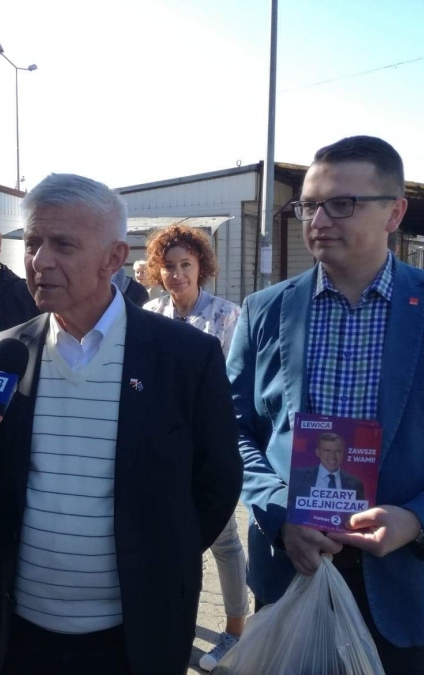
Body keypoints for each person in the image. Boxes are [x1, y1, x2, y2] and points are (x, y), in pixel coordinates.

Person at [227, 136, 424, 675]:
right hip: (290, 574)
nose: (319, 220)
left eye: (342, 203)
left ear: (395, 213)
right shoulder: (263, 312)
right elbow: (232, 433)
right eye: (309, 205)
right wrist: (278, 513)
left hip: (409, 590)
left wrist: (418, 521)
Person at [0, 173, 242, 675]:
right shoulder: (5, 351)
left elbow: (217, 483)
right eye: (33, 243)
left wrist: (162, 558)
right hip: (22, 634)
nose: (39, 261)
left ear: (114, 258)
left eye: (63, 245)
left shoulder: (186, 357)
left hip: (136, 638)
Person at [142, 224, 247, 671]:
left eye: (186, 264)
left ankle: (236, 631)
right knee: (168, 538)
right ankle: (170, 623)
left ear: (201, 266)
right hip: (161, 451)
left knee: (223, 538)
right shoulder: (149, 314)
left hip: (208, 448)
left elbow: (235, 386)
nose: (178, 274)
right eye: (169, 266)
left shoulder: (227, 317)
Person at [287, 432, 365, 505]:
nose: (333, 456)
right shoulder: (298, 477)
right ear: (318, 452)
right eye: (327, 451)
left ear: (342, 454)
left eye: (337, 451)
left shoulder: (355, 484)